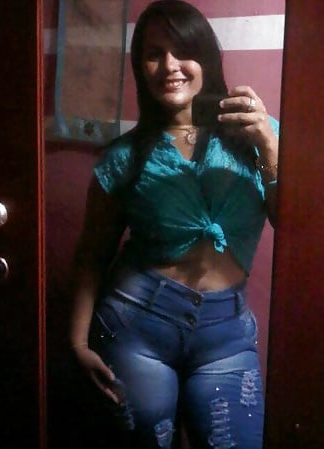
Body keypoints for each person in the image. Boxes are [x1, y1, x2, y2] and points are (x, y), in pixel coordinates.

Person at [69, 1, 279, 447]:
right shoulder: (124, 157)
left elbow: (295, 222)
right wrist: (77, 342)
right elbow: (92, 254)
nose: (169, 66)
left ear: (206, 57)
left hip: (226, 337)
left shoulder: (257, 134)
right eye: (153, 54)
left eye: (182, 51)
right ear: (140, 68)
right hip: (135, 327)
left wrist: (268, 144)